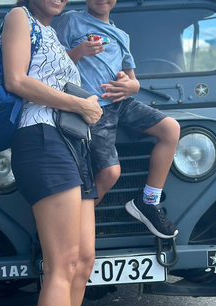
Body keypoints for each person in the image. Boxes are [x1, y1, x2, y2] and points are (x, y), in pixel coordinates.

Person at [1, 0, 103, 306]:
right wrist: (80, 105)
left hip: (72, 144)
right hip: (42, 138)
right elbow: (16, 80)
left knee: (83, 261)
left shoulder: (51, 33)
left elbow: (50, 74)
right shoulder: (19, 17)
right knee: (62, 263)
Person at [56, 0, 181, 239]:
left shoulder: (121, 35)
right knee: (110, 173)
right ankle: (68, 227)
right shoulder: (71, 20)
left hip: (120, 104)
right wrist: (79, 51)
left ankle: (148, 201)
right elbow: (54, 64)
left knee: (171, 129)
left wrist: (130, 86)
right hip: (91, 107)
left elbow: (133, 81)